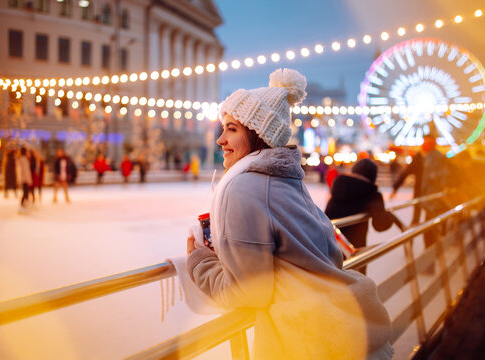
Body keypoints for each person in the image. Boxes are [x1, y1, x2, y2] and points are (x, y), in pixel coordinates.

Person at [182, 69, 393, 359]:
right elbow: (327, 256)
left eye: (232, 129)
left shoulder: (240, 187)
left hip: (310, 343)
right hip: (348, 326)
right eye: (223, 128)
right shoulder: (289, 180)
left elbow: (249, 292)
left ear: (258, 135)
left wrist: (199, 262)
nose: (220, 140)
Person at [325, 158, 403, 274]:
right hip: (353, 249)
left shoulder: (338, 184)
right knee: (356, 283)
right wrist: (389, 216)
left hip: (328, 243)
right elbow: (380, 225)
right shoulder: (372, 193)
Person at [390, 151, 424, 225]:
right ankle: (416, 224)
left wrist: (395, 188)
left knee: (419, 208)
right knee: (420, 209)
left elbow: (405, 173)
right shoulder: (420, 158)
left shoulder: (419, 158)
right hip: (426, 190)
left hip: (422, 189)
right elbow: (405, 173)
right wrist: (395, 188)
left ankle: (416, 224)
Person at [17, 147, 32, 212]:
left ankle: (24, 204)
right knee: (25, 192)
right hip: (25, 179)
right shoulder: (24, 160)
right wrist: (29, 180)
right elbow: (26, 171)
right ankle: (22, 205)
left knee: (26, 192)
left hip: (23, 178)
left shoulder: (21, 159)